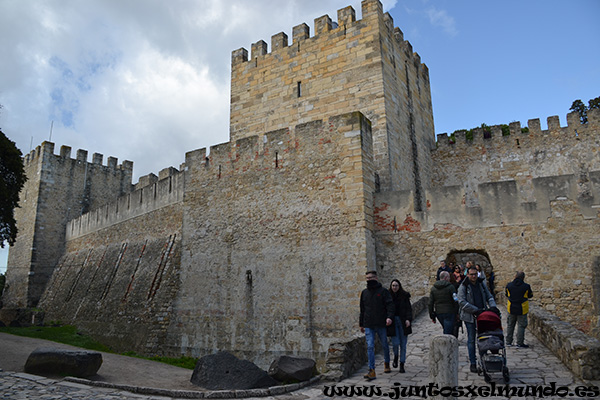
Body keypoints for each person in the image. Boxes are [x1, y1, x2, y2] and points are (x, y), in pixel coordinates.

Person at [458, 266, 498, 373]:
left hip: (482, 316)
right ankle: (473, 363)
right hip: (470, 317)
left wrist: (493, 307)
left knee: (483, 338)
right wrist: (475, 310)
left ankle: (484, 359)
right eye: (471, 274)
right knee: (471, 339)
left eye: (475, 274)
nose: (474, 276)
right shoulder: (463, 286)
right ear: (468, 275)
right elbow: (461, 302)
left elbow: (489, 296)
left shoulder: (481, 284)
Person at [359, 270, 394, 380]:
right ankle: (371, 370)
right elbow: (362, 309)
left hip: (381, 323)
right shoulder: (364, 293)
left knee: (384, 344)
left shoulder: (383, 292)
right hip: (369, 324)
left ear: (376, 278)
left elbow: (390, 305)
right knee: (370, 346)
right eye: (367, 278)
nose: (369, 280)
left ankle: (387, 363)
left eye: (371, 278)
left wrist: (389, 317)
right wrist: (361, 324)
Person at [389, 279, 412, 373]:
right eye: (393, 285)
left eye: (396, 285)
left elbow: (408, 309)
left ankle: (402, 363)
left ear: (399, 286)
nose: (395, 287)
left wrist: (408, 319)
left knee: (403, 344)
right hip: (393, 322)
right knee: (395, 343)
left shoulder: (405, 296)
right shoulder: (388, 297)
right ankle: (396, 356)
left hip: (402, 321)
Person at [505, 271, 533, 348]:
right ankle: (520, 342)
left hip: (511, 308)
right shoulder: (526, 286)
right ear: (523, 277)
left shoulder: (509, 285)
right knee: (521, 326)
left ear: (515, 276)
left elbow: (507, 294)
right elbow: (530, 295)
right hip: (522, 308)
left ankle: (508, 341)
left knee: (510, 325)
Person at [429, 271, 457, 335]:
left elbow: (430, 303)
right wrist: (457, 311)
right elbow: (455, 300)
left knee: (446, 328)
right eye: (449, 277)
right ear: (446, 277)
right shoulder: (451, 287)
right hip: (449, 311)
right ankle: (447, 343)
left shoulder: (433, 288)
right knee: (448, 331)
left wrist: (432, 315)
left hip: (439, 312)